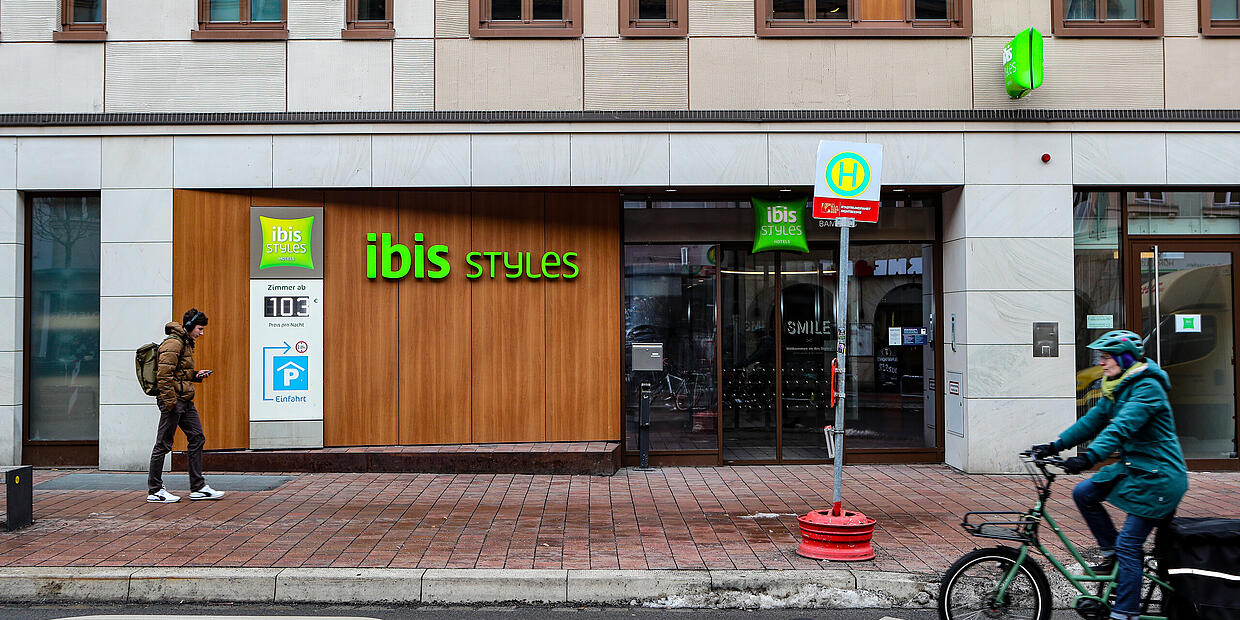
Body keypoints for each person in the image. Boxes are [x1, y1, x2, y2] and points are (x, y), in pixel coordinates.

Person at [1032, 329, 1188, 620]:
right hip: (1136, 469)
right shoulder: (1117, 385)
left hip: (1159, 478)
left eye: (1107, 357)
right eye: (1100, 357)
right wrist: (1055, 445)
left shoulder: (1147, 388)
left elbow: (1121, 427)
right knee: (1084, 493)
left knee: (1129, 545)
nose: (1101, 363)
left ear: (1127, 358)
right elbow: (1092, 421)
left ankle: (1124, 613)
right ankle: (1112, 555)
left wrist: (1089, 457)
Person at [147, 308, 226, 503]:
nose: (202, 333)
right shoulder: (174, 343)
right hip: (174, 401)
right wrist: (171, 403)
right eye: (200, 328)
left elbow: (179, 373)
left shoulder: (185, 342)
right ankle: (155, 490)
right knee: (163, 444)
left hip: (184, 399)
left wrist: (195, 374)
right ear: (189, 326)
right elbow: (163, 375)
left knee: (197, 437)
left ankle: (198, 488)